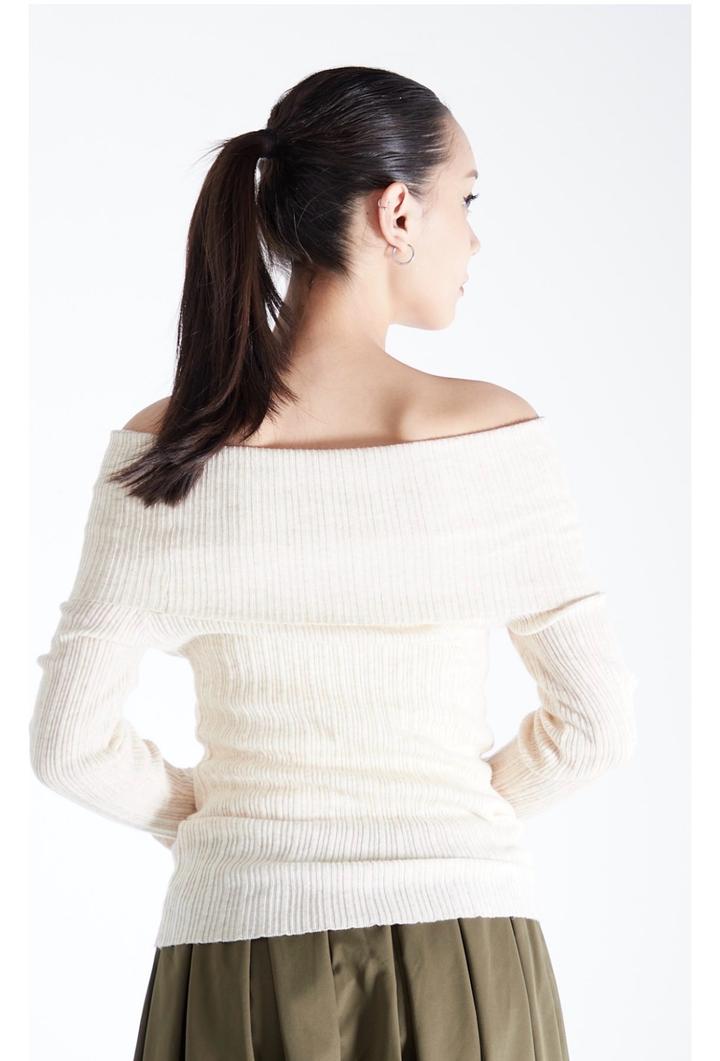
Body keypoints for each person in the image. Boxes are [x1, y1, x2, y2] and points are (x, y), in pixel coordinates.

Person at [29, 65, 638, 1061]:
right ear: (398, 211)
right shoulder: (490, 438)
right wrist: (443, 821)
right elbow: (595, 728)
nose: (473, 238)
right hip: (466, 949)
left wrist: (226, 826)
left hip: (236, 950)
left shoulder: (169, 451)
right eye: (467, 199)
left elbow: (69, 746)